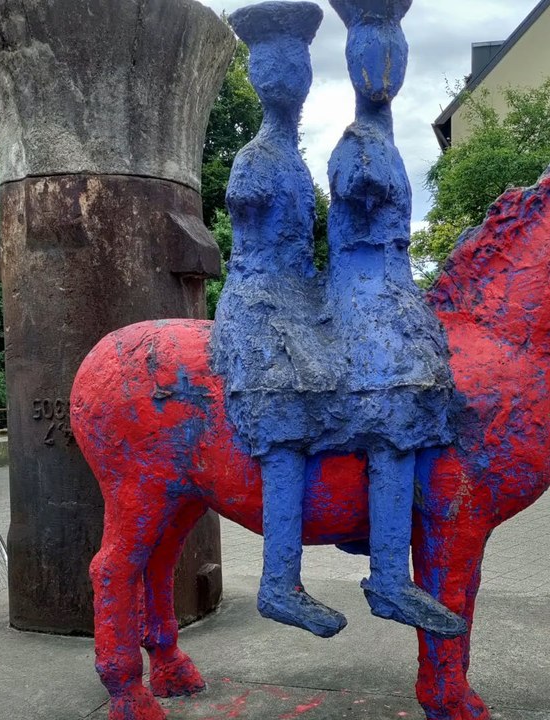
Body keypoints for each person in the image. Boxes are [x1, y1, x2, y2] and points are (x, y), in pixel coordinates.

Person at [319, 0, 465, 638]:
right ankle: (386, 574)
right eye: (369, 54)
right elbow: (354, 191)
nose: (382, 69)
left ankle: (384, 527)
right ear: (351, 62)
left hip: (390, 286)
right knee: (398, 395)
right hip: (360, 287)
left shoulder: (386, 141)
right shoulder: (359, 143)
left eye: (392, 55)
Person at [209, 1, 346, 638]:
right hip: (261, 303)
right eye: (273, 66)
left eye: (296, 65)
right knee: (286, 416)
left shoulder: (294, 158)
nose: (286, 77)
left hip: (299, 299)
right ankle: (279, 581)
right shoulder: (258, 157)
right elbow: (248, 221)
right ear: (259, 77)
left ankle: (355, 525)